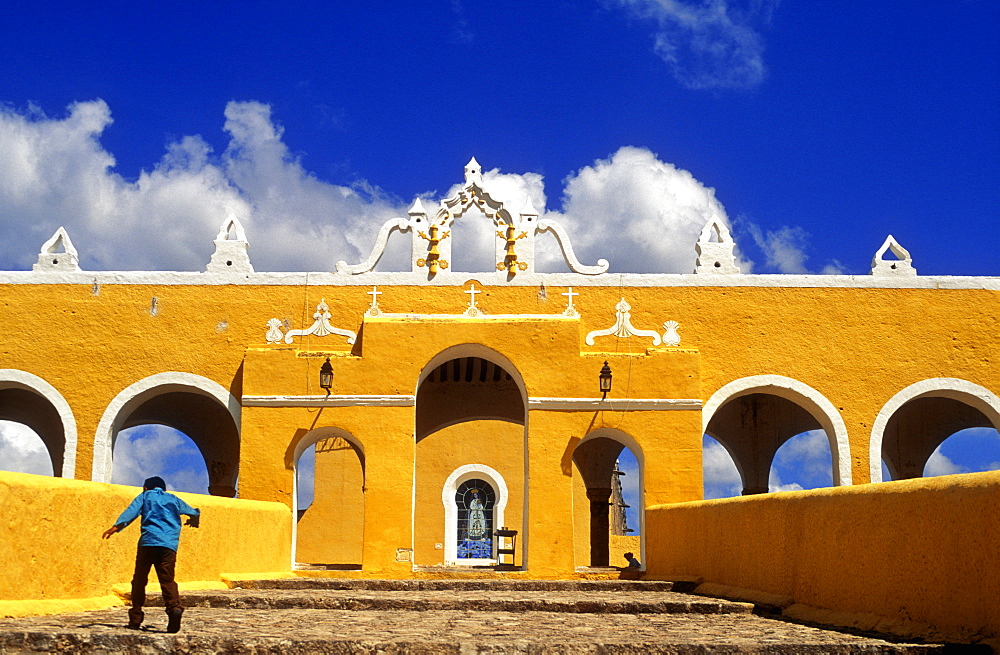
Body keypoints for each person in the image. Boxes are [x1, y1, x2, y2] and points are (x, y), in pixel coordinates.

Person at [102, 476, 200, 633]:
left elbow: (131, 512)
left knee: (139, 580)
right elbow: (192, 512)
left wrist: (116, 527)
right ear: (163, 489)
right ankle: (174, 607)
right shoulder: (173, 499)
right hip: (169, 546)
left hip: (148, 543)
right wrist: (194, 520)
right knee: (167, 580)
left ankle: (136, 617)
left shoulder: (145, 496)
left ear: (146, 488)